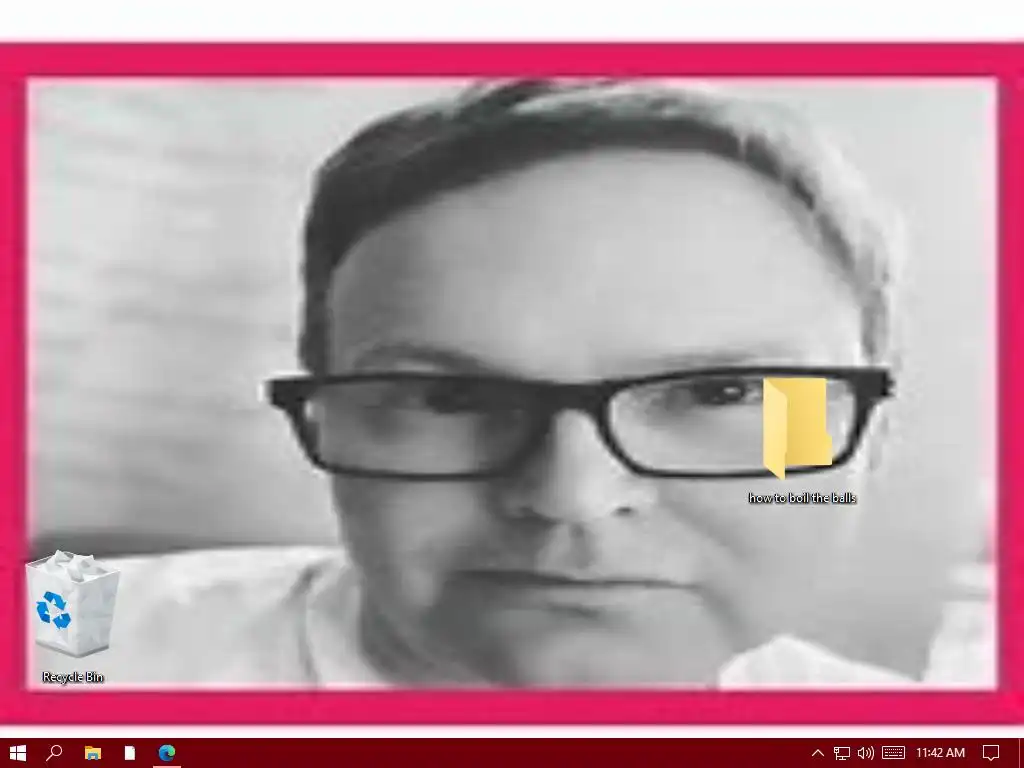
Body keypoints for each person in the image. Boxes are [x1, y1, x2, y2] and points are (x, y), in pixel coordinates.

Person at [38, 79, 991, 689]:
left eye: (722, 395)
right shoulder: (65, 652)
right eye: (447, 399)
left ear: (865, 443)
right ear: (326, 411)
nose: (571, 498)